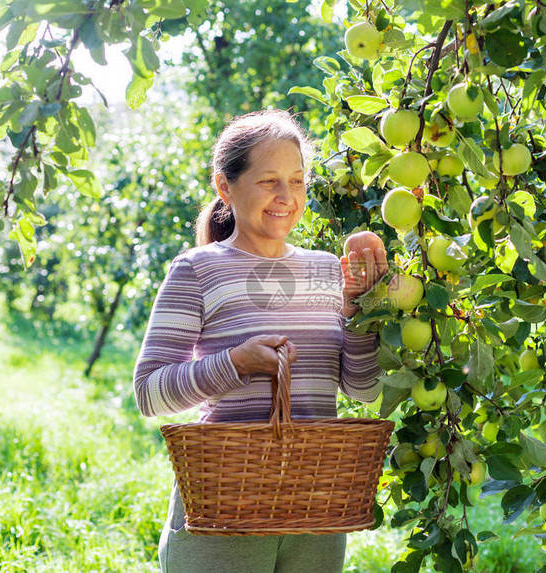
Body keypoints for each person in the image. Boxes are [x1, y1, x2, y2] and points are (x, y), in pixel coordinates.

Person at [132, 109, 389, 573]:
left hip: (315, 504)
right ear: (224, 187)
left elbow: (363, 390)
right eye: (269, 180)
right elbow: (149, 392)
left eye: (296, 180)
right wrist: (236, 362)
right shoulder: (197, 270)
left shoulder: (328, 269)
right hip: (225, 505)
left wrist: (359, 313)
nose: (286, 197)